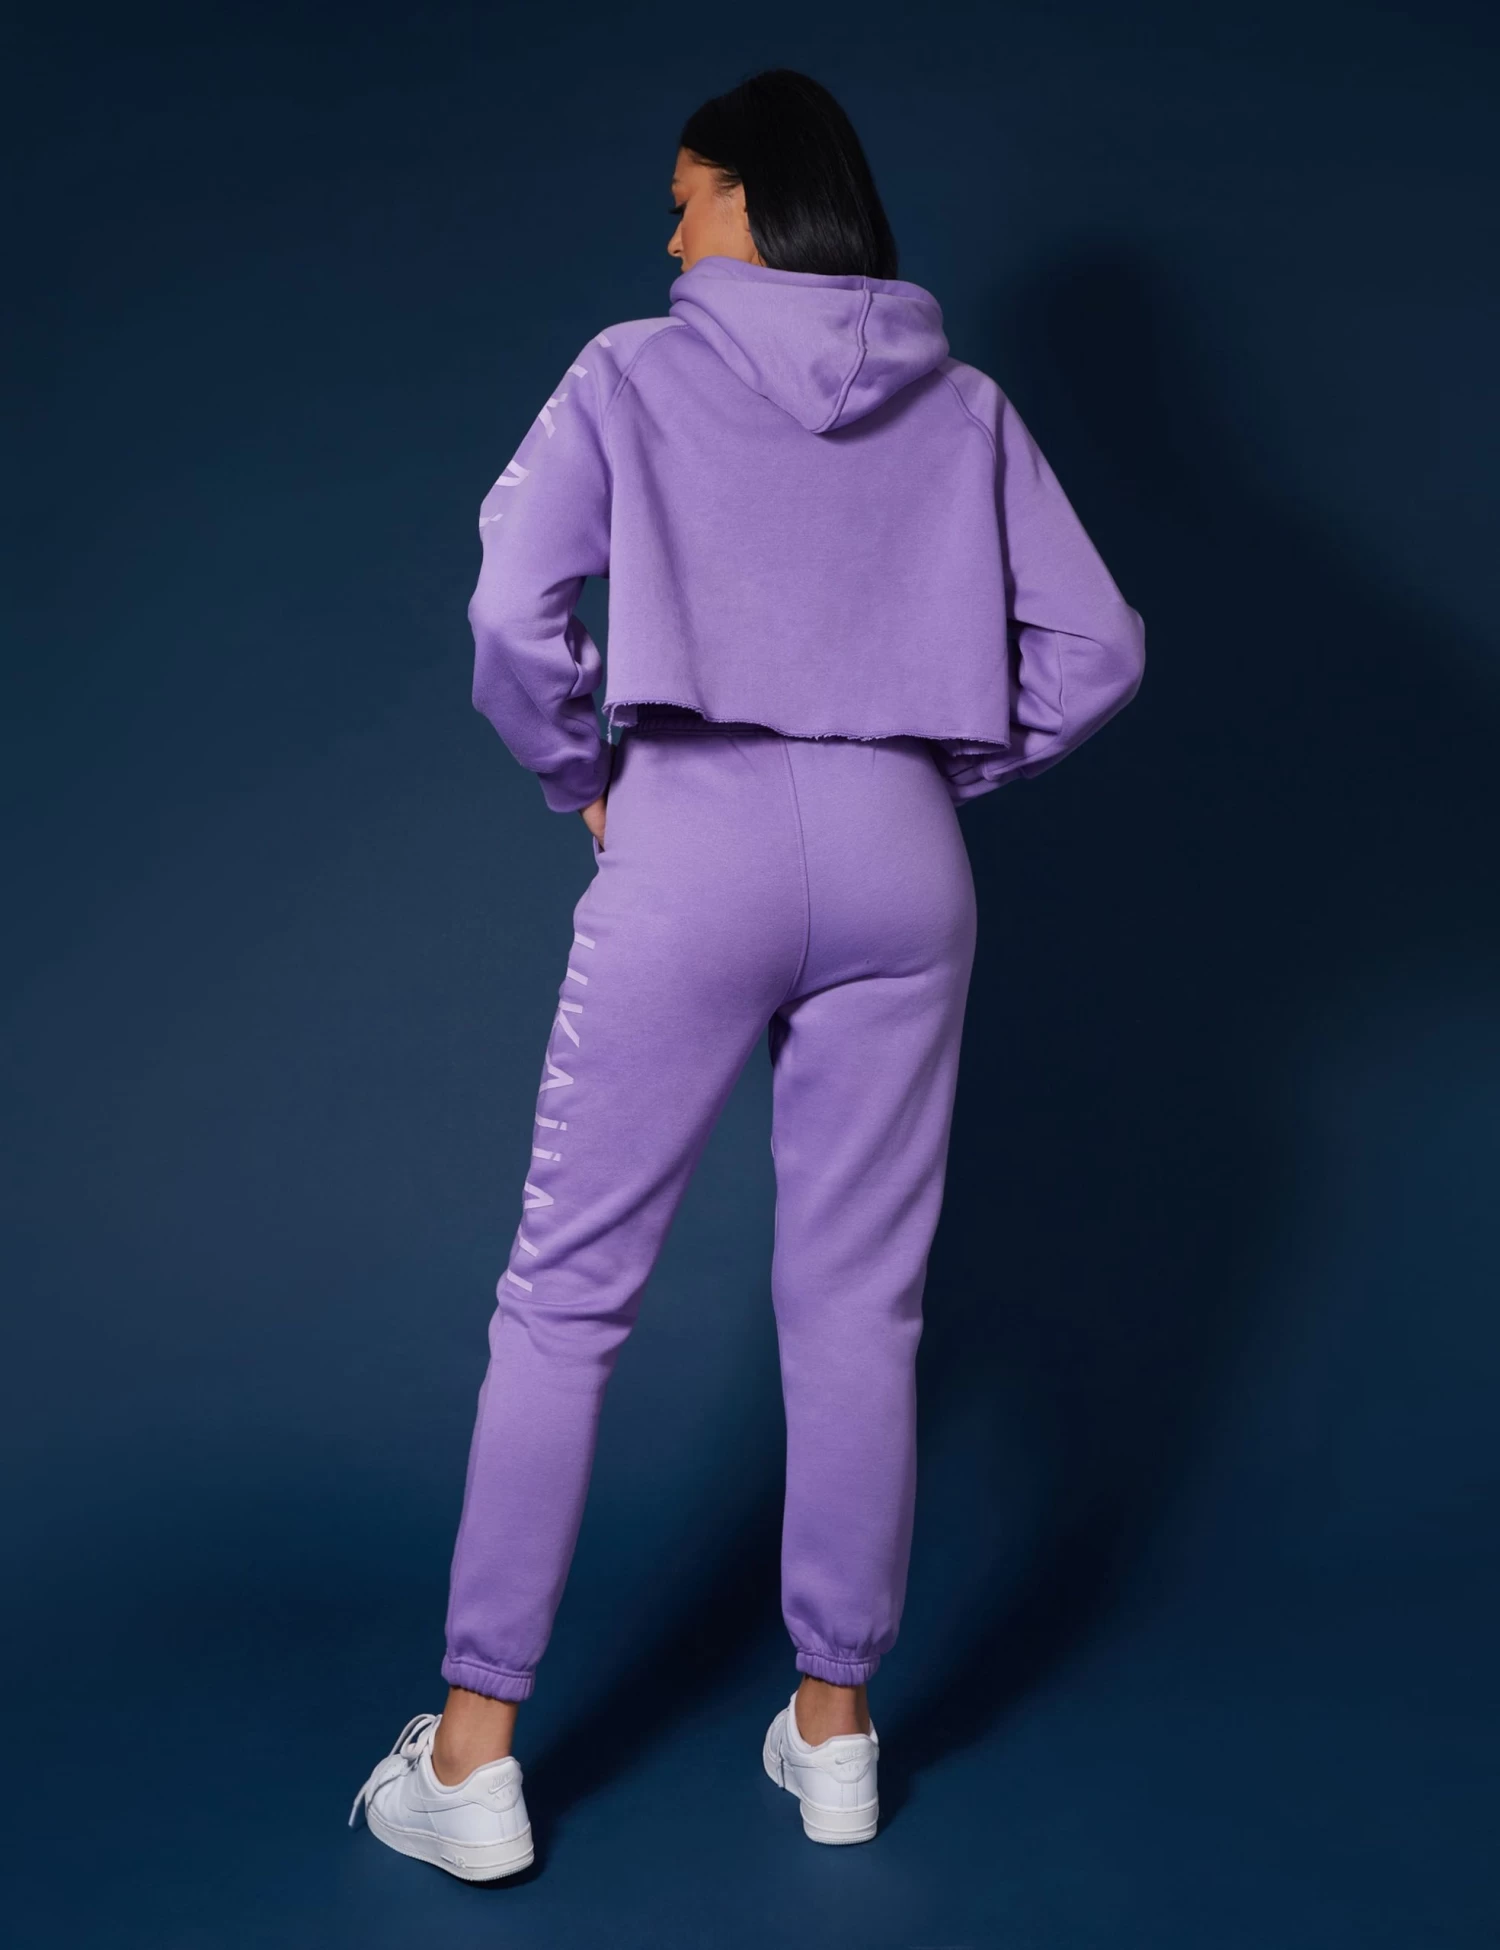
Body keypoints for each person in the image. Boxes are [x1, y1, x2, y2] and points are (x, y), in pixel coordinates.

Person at [349, 65, 1145, 1880]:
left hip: (694, 831)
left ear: (758, 198)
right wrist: (936, 769)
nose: (670, 234)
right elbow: (1099, 644)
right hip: (904, 859)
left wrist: (579, 772)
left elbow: (507, 613)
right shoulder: (968, 404)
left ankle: (471, 1758)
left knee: (569, 1296)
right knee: (861, 1304)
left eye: (688, 195)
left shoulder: (631, 372)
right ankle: (838, 1730)